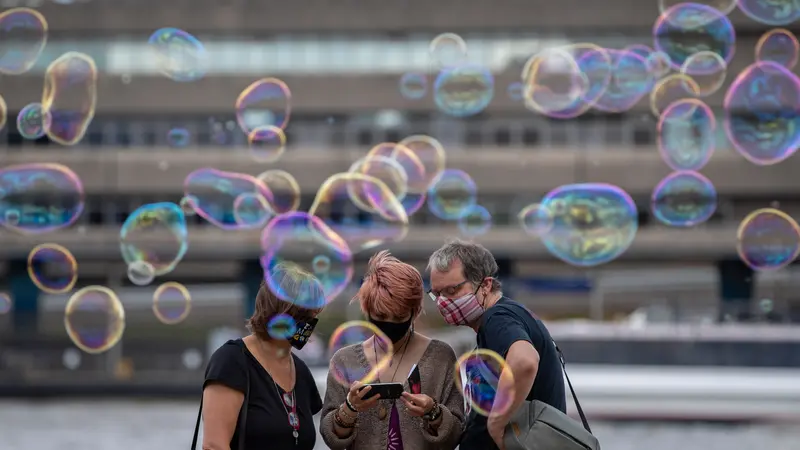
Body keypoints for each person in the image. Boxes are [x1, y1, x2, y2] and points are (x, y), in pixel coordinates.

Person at [427, 240, 566, 450]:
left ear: (485, 285)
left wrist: (496, 423)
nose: (443, 302)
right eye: (437, 294)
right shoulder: (505, 317)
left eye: (452, 290)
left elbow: (525, 361)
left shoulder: (498, 317)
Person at [320, 250, 465, 450]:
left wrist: (433, 412)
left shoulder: (440, 357)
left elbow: (456, 433)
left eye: (398, 317)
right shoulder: (345, 360)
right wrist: (350, 408)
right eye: (380, 315)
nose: (389, 324)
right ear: (367, 310)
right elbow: (330, 436)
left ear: (414, 312)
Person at [201, 265, 325, 450]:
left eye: (313, 316)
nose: (308, 325)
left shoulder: (301, 372)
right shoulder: (232, 360)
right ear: (278, 312)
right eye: (303, 315)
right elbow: (214, 445)